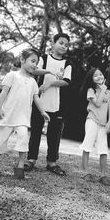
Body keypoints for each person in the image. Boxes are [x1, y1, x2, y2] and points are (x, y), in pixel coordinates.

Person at [0, 48, 50, 179]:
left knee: (23, 140)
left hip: (23, 118)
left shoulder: (33, 82)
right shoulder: (12, 75)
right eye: (32, 61)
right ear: (22, 60)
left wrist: (43, 111)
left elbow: (36, 98)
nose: (34, 64)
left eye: (36, 62)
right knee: (0, 140)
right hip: (7, 115)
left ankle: (20, 167)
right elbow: (3, 93)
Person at [24, 33, 72, 176]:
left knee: (54, 134)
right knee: (36, 131)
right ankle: (31, 159)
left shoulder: (67, 63)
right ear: (54, 43)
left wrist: (50, 83)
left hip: (58, 104)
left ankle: (52, 162)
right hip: (39, 101)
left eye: (66, 45)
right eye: (61, 43)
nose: (64, 46)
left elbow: (67, 81)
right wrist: (49, 72)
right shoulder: (44, 58)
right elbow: (35, 70)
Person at [79, 67, 110, 185]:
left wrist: (109, 123)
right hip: (92, 120)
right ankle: (85, 172)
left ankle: (102, 175)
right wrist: (103, 88)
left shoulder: (109, 93)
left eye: (100, 74)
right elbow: (98, 104)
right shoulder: (91, 91)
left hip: (103, 124)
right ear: (92, 79)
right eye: (96, 75)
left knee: (103, 149)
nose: (99, 76)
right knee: (87, 146)